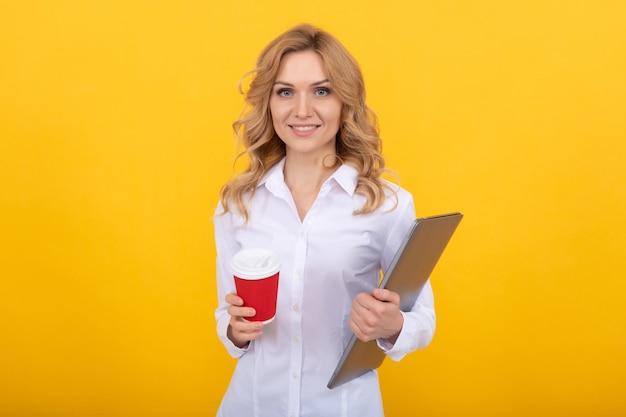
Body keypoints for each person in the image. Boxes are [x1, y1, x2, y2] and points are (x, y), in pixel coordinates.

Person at [213, 23, 436, 417]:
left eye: (321, 91)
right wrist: (236, 331)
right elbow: (226, 321)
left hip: (345, 407)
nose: (302, 111)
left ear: (344, 102)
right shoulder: (238, 205)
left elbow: (423, 320)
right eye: (285, 92)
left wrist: (392, 326)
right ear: (269, 103)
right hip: (252, 404)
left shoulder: (386, 205)